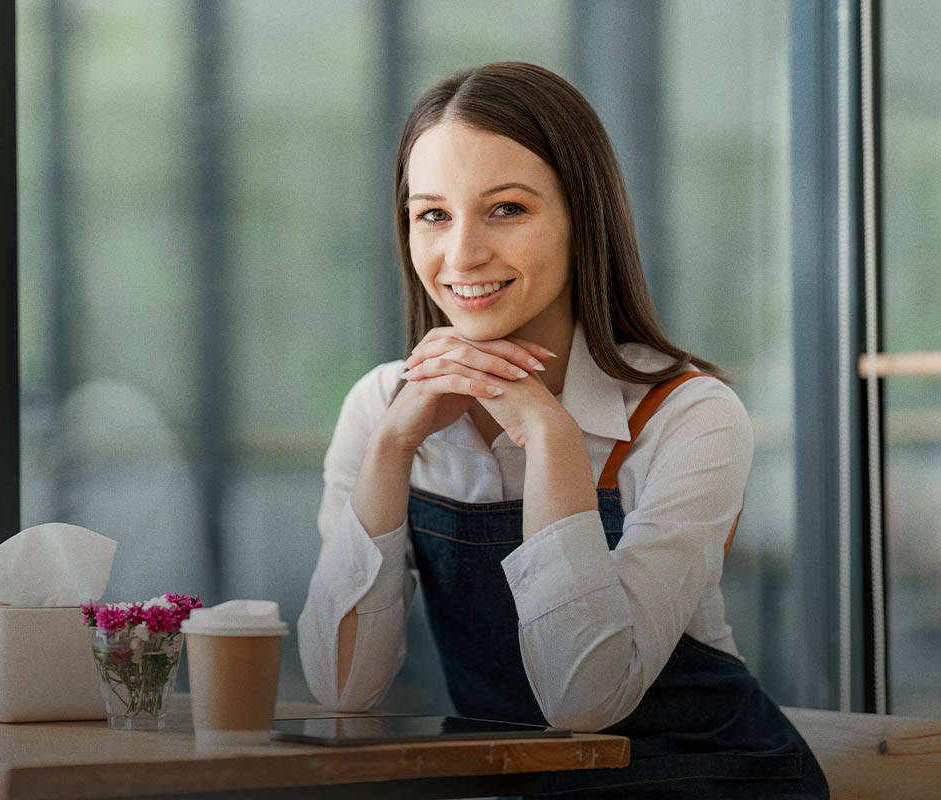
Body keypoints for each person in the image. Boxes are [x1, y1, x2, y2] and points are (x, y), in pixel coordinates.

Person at [297, 62, 828, 798]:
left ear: (584, 215)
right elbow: (344, 689)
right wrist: (390, 448)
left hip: (706, 777)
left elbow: (585, 703)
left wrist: (549, 437)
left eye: (507, 209)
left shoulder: (688, 414)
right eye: (433, 215)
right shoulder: (382, 409)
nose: (462, 256)